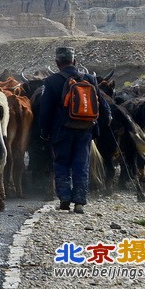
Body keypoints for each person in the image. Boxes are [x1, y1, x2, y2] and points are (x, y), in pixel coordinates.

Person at [38, 46, 110, 214]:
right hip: (85, 129)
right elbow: (102, 103)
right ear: (75, 61)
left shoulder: (51, 81)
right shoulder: (90, 79)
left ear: (57, 63)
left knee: (62, 163)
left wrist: (44, 131)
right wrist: (105, 122)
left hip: (61, 130)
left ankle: (64, 198)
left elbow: (45, 110)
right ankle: (79, 202)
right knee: (81, 164)